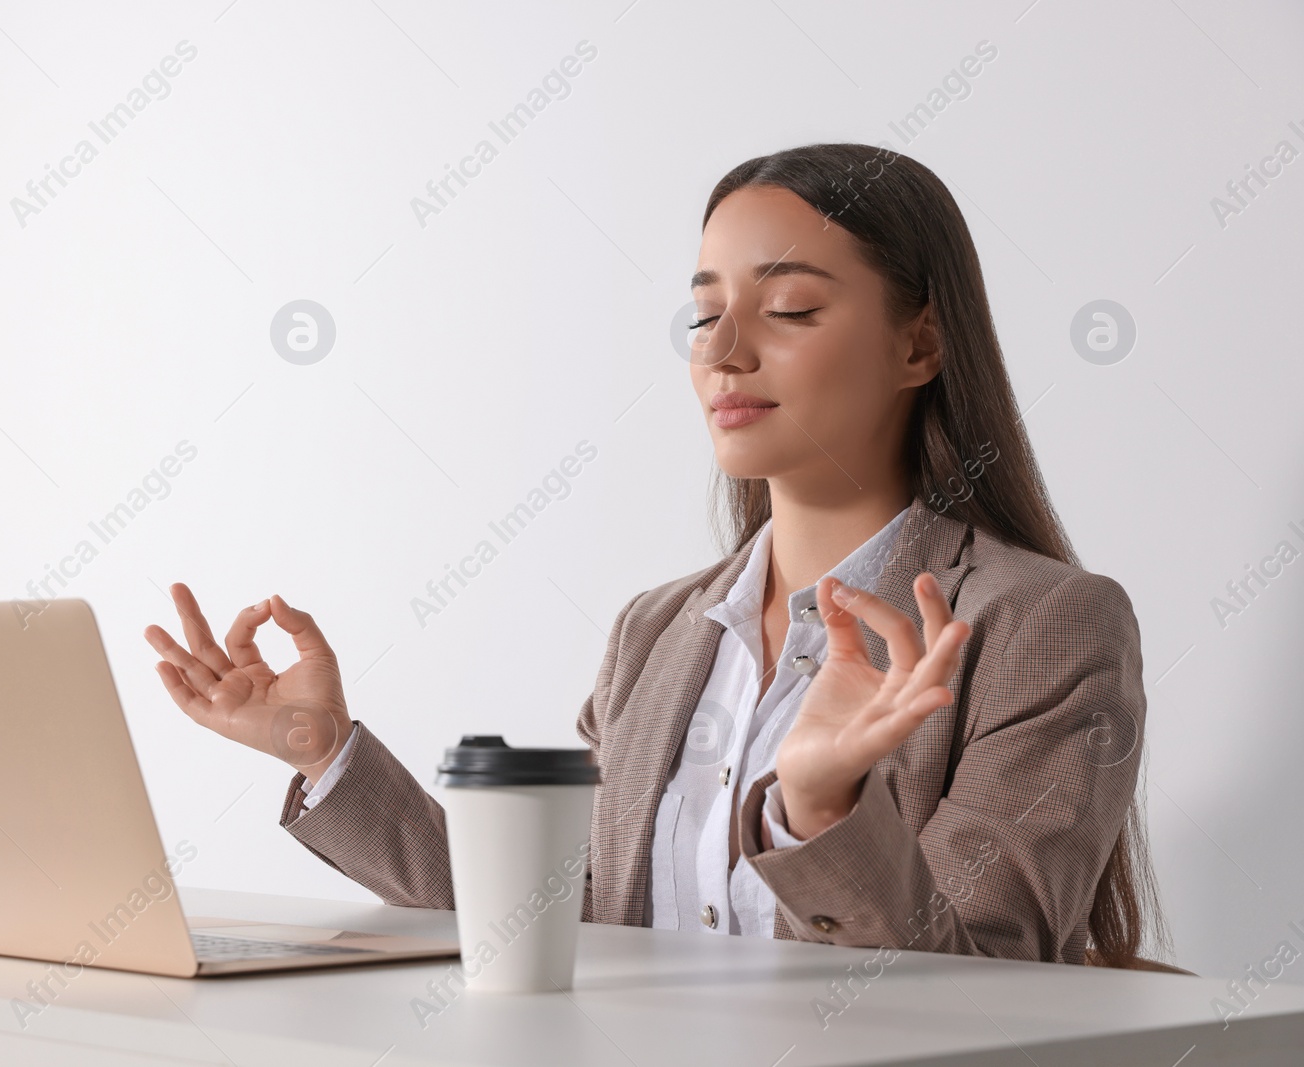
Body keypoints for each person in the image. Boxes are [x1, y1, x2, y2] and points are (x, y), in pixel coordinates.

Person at [145, 143, 1182, 970]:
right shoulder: (657, 630)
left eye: (788, 309)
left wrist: (818, 811)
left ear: (919, 344)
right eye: (703, 311)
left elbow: (988, 989)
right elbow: (551, 927)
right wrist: (320, 748)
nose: (722, 349)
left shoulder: (1043, 624)